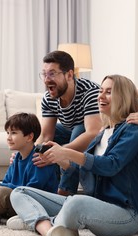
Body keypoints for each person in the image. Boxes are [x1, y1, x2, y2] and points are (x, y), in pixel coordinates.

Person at [6, 75, 138, 236]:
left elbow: (111, 165)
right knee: (20, 192)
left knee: (76, 202)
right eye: (101, 91)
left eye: (109, 92)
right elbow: (84, 171)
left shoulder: (133, 129)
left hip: (126, 214)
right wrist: (61, 160)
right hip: (96, 204)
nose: (101, 96)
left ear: (124, 97)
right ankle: (47, 228)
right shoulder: (102, 133)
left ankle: (37, 220)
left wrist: (67, 152)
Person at [35, 50, 103, 196]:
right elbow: (46, 135)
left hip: (92, 134)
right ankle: (45, 190)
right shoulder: (49, 98)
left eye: (52, 73)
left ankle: (65, 192)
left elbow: (94, 132)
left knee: (79, 128)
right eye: (44, 74)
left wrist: (60, 151)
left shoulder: (90, 92)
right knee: (42, 145)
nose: (47, 80)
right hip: (69, 131)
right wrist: (31, 153)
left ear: (70, 75)